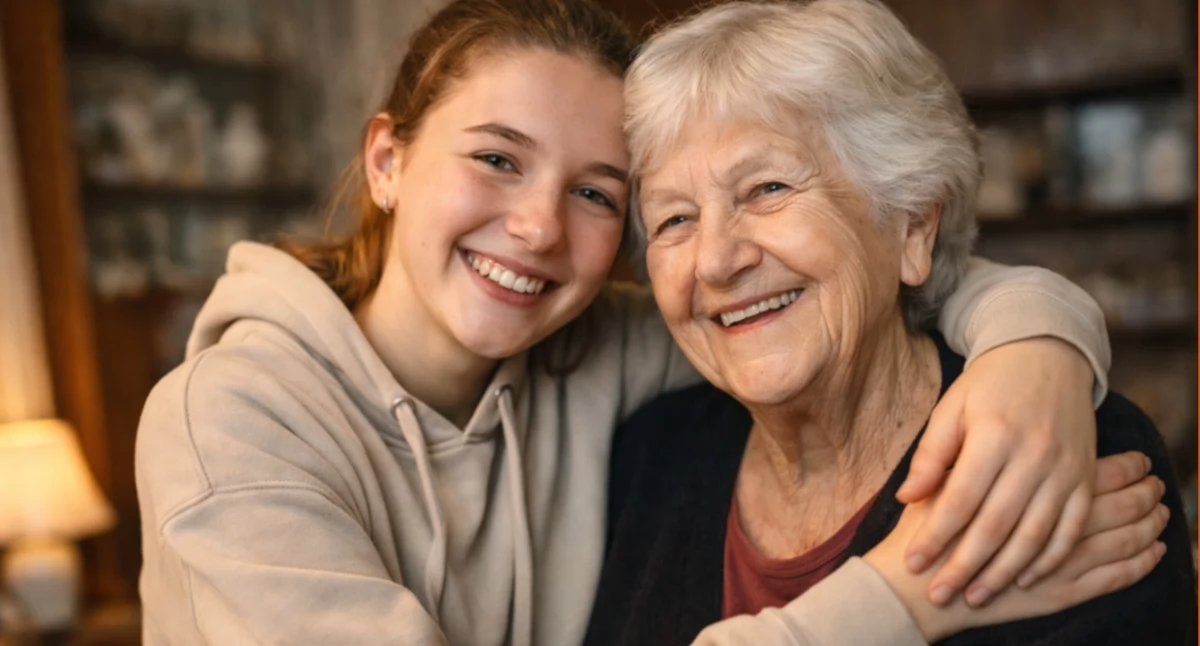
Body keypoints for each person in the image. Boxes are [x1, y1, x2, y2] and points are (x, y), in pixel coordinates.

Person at [135, 1, 1134, 644]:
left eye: (599, 193)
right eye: (495, 158)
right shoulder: (225, 423)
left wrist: (1032, 343)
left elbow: (840, 284)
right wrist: (906, 596)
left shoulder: (595, 356)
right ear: (388, 161)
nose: (534, 227)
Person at [583, 1, 1197, 644]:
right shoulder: (647, 457)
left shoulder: (1057, 443)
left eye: (767, 189)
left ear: (911, 226)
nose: (714, 261)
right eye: (674, 219)